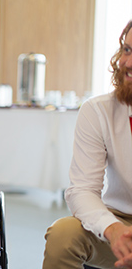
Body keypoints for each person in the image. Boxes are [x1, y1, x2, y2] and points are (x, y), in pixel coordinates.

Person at [43, 20, 132, 269]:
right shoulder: (98, 111)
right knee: (63, 235)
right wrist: (112, 229)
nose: (128, 63)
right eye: (127, 50)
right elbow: (82, 190)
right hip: (119, 220)